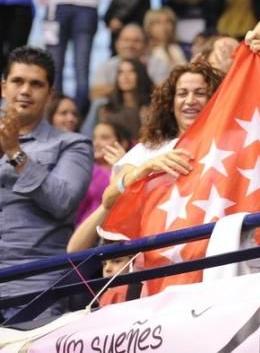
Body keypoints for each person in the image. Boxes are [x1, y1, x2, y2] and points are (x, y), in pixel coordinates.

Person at [0, 47, 92, 319]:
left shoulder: (73, 144)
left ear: (50, 94)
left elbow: (62, 201)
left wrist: (15, 153)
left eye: (36, 84)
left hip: (35, 286)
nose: (25, 90)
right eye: (18, 81)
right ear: (3, 87)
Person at [100, 62, 224, 212]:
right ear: (171, 103)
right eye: (182, 94)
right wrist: (145, 168)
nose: (190, 101)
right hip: (157, 234)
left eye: (200, 93)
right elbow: (108, 200)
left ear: (214, 100)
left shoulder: (227, 145)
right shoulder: (147, 149)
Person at [90, 23, 169, 100]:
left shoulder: (158, 64)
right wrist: (124, 87)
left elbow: (165, 92)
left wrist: (142, 77)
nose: (130, 45)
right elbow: (94, 94)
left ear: (146, 45)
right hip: (116, 109)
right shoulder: (107, 66)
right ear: (117, 44)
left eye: (136, 41)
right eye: (125, 40)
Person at [83, 58, 153, 142]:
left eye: (131, 71)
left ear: (140, 75)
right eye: (121, 72)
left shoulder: (150, 109)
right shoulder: (104, 108)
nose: (125, 76)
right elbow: (87, 136)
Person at [75, 121, 129, 225]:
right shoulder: (85, 168)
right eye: (94, 137)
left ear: (123, 143)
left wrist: (123, 166)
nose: (96, 143)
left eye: (104, 138)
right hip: (87, 233)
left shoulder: (134, 169)